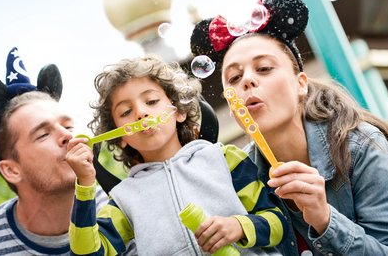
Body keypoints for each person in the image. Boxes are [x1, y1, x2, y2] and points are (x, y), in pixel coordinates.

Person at [190, 0, 388, 256]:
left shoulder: (359, 145)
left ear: (301, 84)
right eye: (234, 78)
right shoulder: (236, 175)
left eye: (264, 68)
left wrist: (326, 220)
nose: (247, 81)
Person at [66, 56, 289, 255]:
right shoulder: (124, 199)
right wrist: (85, 183)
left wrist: (239, 226)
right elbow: (87, 253)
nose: (141, 113)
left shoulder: (224, 159)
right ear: (120, 137)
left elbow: (278, 223)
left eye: (152, 101)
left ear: (179, 111)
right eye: (126, 112)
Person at [0, 48, 109, 255]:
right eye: (43, 135)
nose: (68, 137)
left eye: (68, 126)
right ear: (11, 170)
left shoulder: (122, 208)